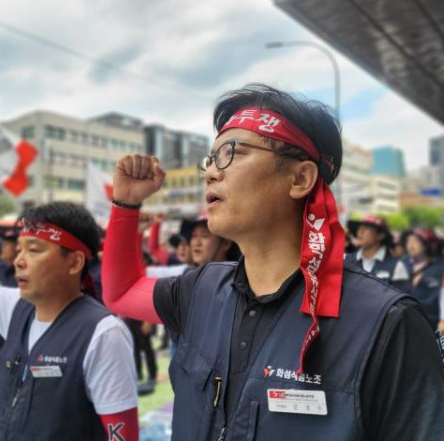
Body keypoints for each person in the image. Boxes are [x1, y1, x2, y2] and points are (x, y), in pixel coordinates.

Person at [102, 84, 444, 440]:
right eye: (211, 158)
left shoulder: (386, 324)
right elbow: (121, 293)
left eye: (232, 153)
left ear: (299, 179)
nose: (211, 173)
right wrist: (125, 206)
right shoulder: (199, 289)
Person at [0, 187, 139, 440]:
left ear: (74, 263)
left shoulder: (104, 333)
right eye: (19, 249)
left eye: (34, 250)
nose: (19, 260)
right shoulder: (14, 308)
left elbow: (122, 434)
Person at [345, 215, 410, 291]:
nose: (360, 232)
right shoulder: (345, 260)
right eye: (359, 228)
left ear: (380, 235)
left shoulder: (397, 267)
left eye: (366, 228)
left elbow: (402, 301)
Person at [401, 228, 444, 331]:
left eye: (416, 241)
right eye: (408, 241)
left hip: (431, 324)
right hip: (404, 322)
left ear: (428, 244)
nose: (410, 245)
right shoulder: (402, 264)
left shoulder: (440, 267)